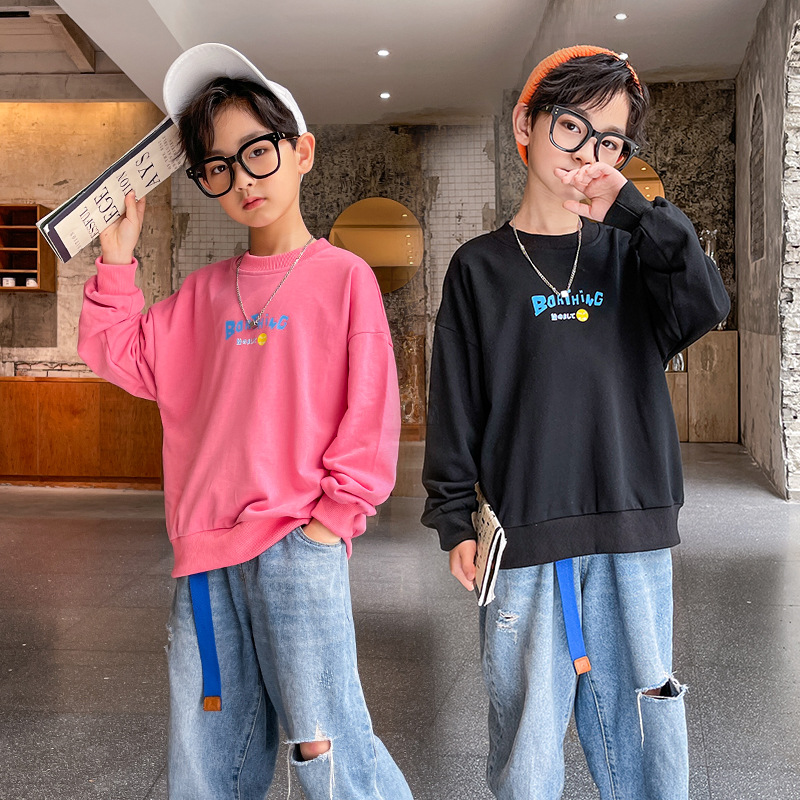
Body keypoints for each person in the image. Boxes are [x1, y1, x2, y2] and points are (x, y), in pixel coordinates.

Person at [79, 42, 413, 800]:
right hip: (205, 560)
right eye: (218, 167)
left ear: (302, 152)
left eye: (257, 152)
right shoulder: (201, 295)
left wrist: (330, 522)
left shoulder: (344, 278)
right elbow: (116, 351)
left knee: (327, 745)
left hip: (300, 546)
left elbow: (370, 411)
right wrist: (118, 261)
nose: (242, 180)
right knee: (208, 755)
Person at [421, 45, 729, 800]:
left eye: (610, 141)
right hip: (525, 536)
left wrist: (635, 211)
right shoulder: (478, 269)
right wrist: (454, 518)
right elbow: (456, 401)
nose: (586, 154)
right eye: (570, 127)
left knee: (646, 732)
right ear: (525, 126)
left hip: (633, 529)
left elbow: (706, 303)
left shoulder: (631, 254)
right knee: (526, 742)